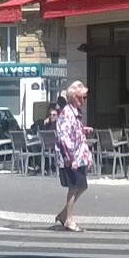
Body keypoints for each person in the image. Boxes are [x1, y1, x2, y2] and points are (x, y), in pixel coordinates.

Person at [53, 81, 93, 231]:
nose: (83, 100)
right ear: (72, 97)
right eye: (80, 97)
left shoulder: (75, 112)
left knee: (81, 186)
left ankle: (64, 214)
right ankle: (68, 219)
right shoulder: (66, 112)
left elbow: (73, 131)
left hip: (79, 156)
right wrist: (68, 156)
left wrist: (83, 130)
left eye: (84, 98)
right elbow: (63, 136)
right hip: (71, 157)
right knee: (74, 187)